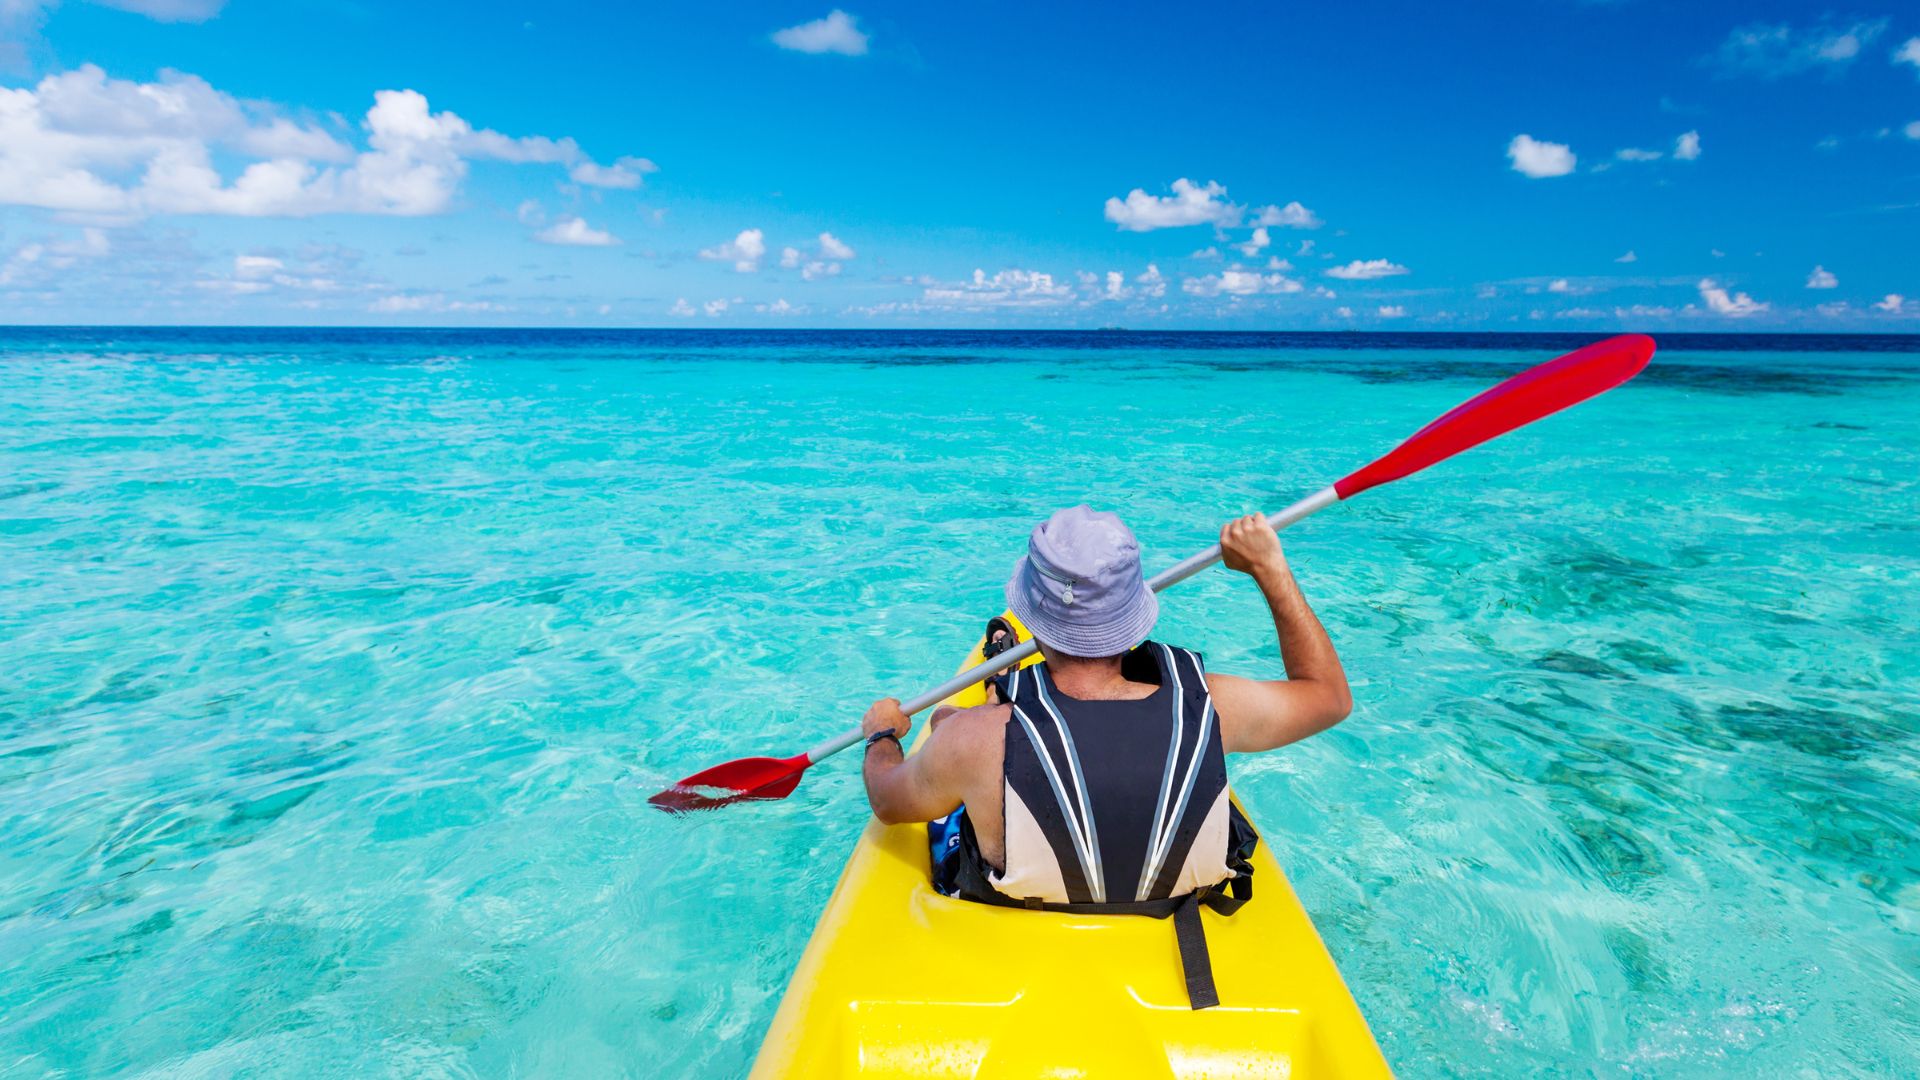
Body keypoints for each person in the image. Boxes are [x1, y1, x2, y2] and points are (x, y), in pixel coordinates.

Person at [858, 504, 1351, 924]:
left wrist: (882, 734)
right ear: (1134, 614)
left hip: (1017, 920)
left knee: (954, 731)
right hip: (1177, 925)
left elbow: (887, 800)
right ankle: (1004, 700)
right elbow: (1329, 697)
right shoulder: (1219, 708)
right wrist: (1270, 568)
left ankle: (1001, 694)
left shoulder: (971, 742)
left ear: (1032, 618)